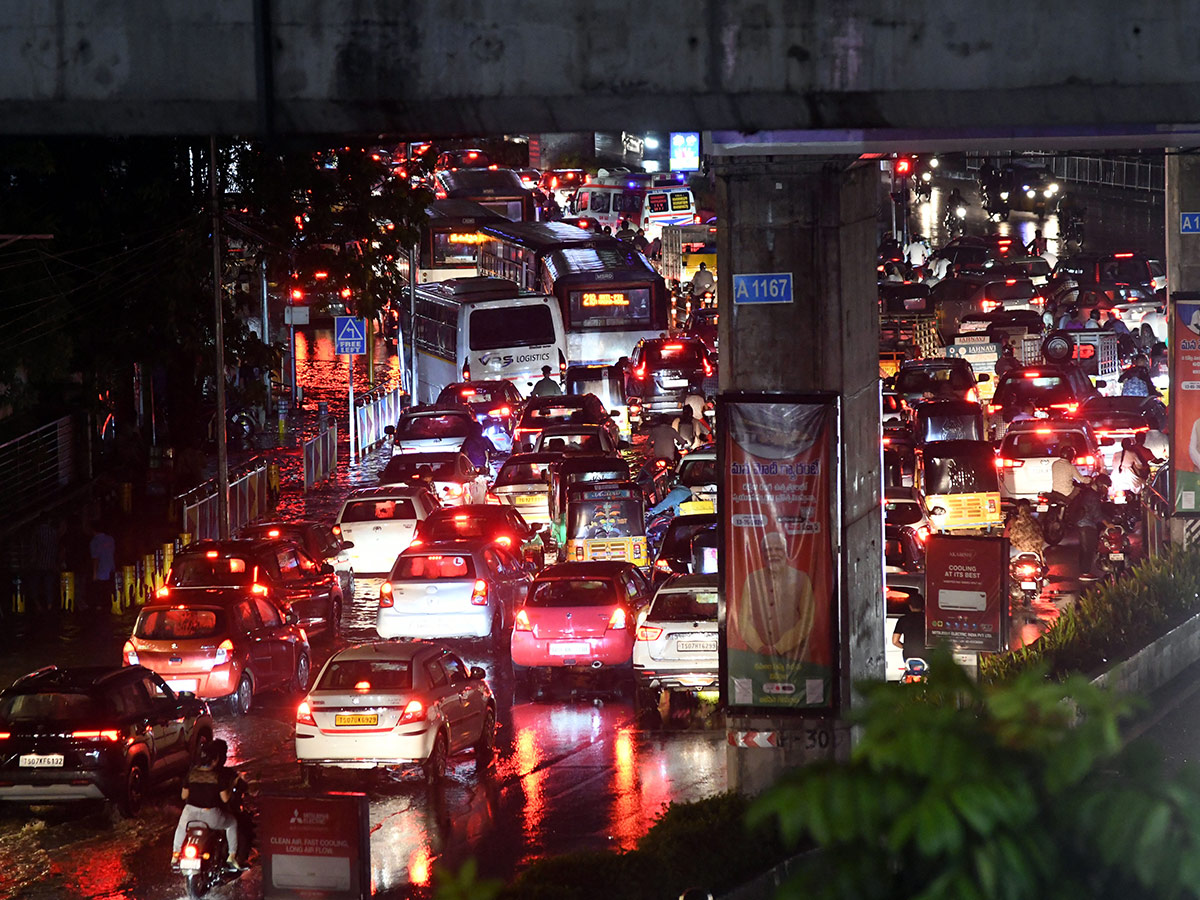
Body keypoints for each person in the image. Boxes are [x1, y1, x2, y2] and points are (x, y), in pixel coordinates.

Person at [735, 532, 815, 657]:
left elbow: (807, 620)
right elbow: (744, 621)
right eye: (768, 550)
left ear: (786, 552)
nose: (772, 553)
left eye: (778, 549)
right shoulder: (752, 580)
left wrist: (780, 647)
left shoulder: (802, 579)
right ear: (762, 554)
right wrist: (760, 647)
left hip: (794, 657)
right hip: (758, 659)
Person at [171, 739, 242, 871]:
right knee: (232, 823)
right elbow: (225, 799)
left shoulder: (191, 774)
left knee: (181, 827)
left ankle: (175, 855)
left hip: (189, 814)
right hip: (211, 816)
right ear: (215, 760)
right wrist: (232, 784)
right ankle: (231, 857)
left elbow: (183, 796)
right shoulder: (217, 777)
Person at [1069, 475, 1109, 577]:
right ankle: (1085, 573)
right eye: (1106, 486)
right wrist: (1108, 524)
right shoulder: (1093, 496)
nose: (1106, 489)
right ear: (1100, 485)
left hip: (1081, 523)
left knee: (1084, 549)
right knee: (1088, 550)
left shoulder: (1088, 492)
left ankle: (1083, 571)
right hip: (1087, 524)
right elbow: (1097, 514)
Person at [88, 520, 116, 613]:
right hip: (111, 567)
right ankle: (111, 606)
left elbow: (95, 558)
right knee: (109, 589)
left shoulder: (94, 542)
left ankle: (101, 608)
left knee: (100, 590)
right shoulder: (110, 539)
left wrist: (94, 573)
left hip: (101, 569)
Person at [891, 594, 927, 664]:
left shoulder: (903, 620)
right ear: (923, 605)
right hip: (926, 654)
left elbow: (895, 641)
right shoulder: (927, 620)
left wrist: (905, 647)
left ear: (910, 606)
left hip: (908, 654)